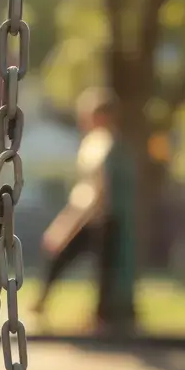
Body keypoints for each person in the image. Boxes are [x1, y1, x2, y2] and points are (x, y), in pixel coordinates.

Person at [34, 87, 118, 316]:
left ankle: (99, 315)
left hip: (94, 217)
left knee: (70, 258)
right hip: (93, 215)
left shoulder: (100, 144)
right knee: (101, 269)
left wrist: (69, 222)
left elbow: (93, 189)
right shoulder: (95, 142)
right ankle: (98, 313)